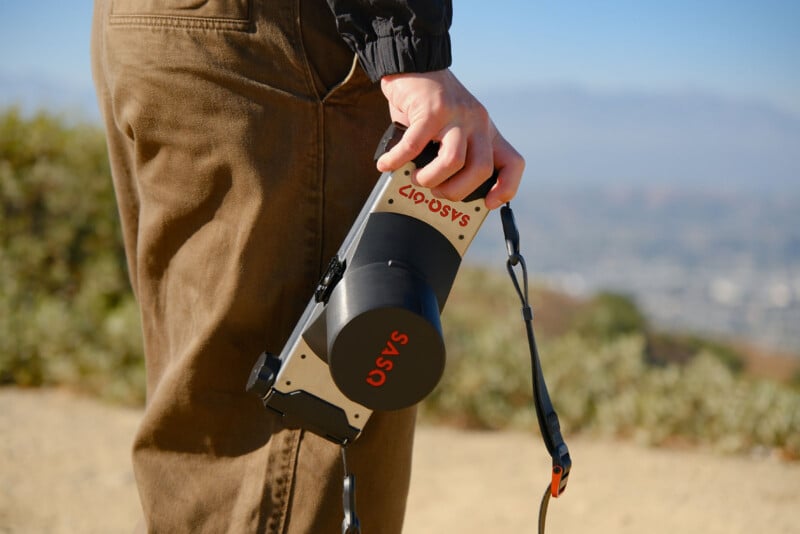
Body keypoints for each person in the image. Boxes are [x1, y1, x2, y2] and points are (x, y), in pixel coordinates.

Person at [91, 0, 524, 532]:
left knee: (213, 441)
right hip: (291, 45)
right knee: (296, 452)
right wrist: (407, 49)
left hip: (161, 31)